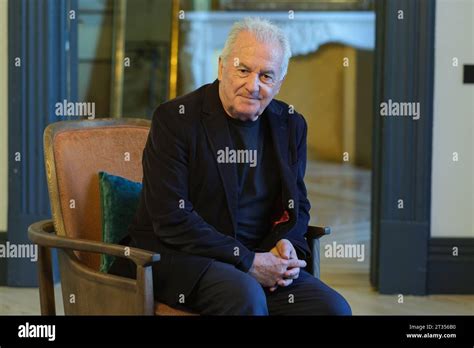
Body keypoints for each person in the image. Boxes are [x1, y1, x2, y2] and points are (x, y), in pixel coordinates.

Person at [110, 17, 351, 316]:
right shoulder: (176, 119)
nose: (253, 86)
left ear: (279, 82)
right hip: (184, 259)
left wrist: (285, 241)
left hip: (261, 258)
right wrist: (248, 261)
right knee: (246, 297)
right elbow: (171, 217)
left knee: (332, 309)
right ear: (222, 65)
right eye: (243, 70)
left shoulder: (290, 124)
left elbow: (297, 204)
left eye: (266, 76)